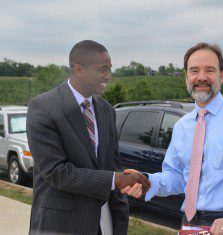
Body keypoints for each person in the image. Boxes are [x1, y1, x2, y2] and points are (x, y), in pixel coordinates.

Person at [123, 42, 223, 235]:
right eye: (194, 70)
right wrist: (147, 181)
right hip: (190, 222)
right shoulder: (182, 126)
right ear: (186, 76)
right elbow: (176, 176)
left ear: (222, 75)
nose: (201, 77)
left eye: (209, 70)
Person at [26, 40, 150, 235]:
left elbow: (113, 165)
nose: (108, 76)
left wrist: (125, 188)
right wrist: (115, 180)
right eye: (102, 69)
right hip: (61, 225)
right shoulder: (43, 107)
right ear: (78, 69)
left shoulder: (106, 110)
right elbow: (56, 172)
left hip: (106, 223)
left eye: (110, 69)